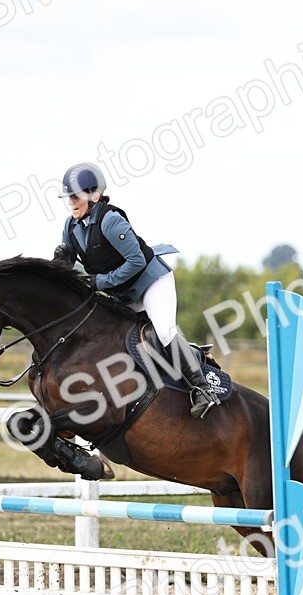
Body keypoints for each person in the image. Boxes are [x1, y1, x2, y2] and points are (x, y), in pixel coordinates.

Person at [52, 162, 219, 418]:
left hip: (151, 282)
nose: (71, 202)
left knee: (163, 332)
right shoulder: (71, 226)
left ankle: (202, 389)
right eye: (69, 197)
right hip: (124, 293)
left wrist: (100, 282)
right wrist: (58, 267)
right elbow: (68, 265)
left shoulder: (111, 221)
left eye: (76, 196)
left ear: (94, 196)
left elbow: (137, 261)